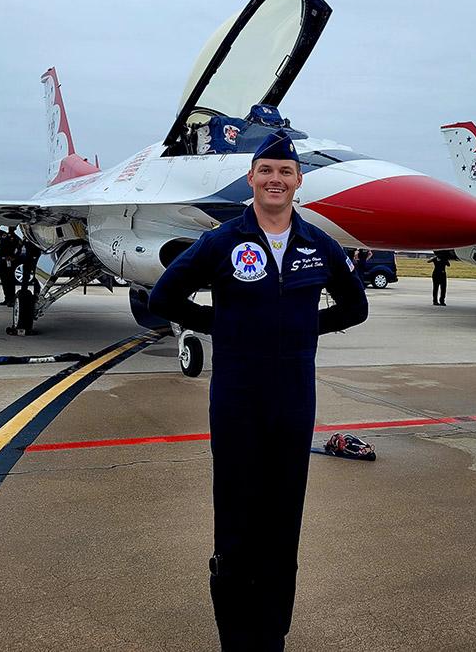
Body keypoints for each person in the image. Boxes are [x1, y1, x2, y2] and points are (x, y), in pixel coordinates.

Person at [149, 130, 368, 650]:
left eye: (285, 172)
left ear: (298, 181)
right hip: (237, 403)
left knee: (283, 521)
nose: (275, 179)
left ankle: (272, 632)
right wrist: (216, 324)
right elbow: (164, 296)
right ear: (251, 179)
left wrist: (307, 329)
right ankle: (236, 634)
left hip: (293, 404)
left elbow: (355, 308)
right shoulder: (223, 241)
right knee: (237, 519)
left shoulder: (319, 245)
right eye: (265, 170)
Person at [0, 224, 22, 306]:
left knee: (10, 281)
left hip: (10, 262)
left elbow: (19, 250)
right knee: (4, 281)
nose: (10, 227)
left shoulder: (17, 239)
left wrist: (13, 257)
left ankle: (12, 299)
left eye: (11, 226)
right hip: (1, 261)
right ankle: (7, 298)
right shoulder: (3, 234)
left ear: (14, 228)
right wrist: (2, 221)